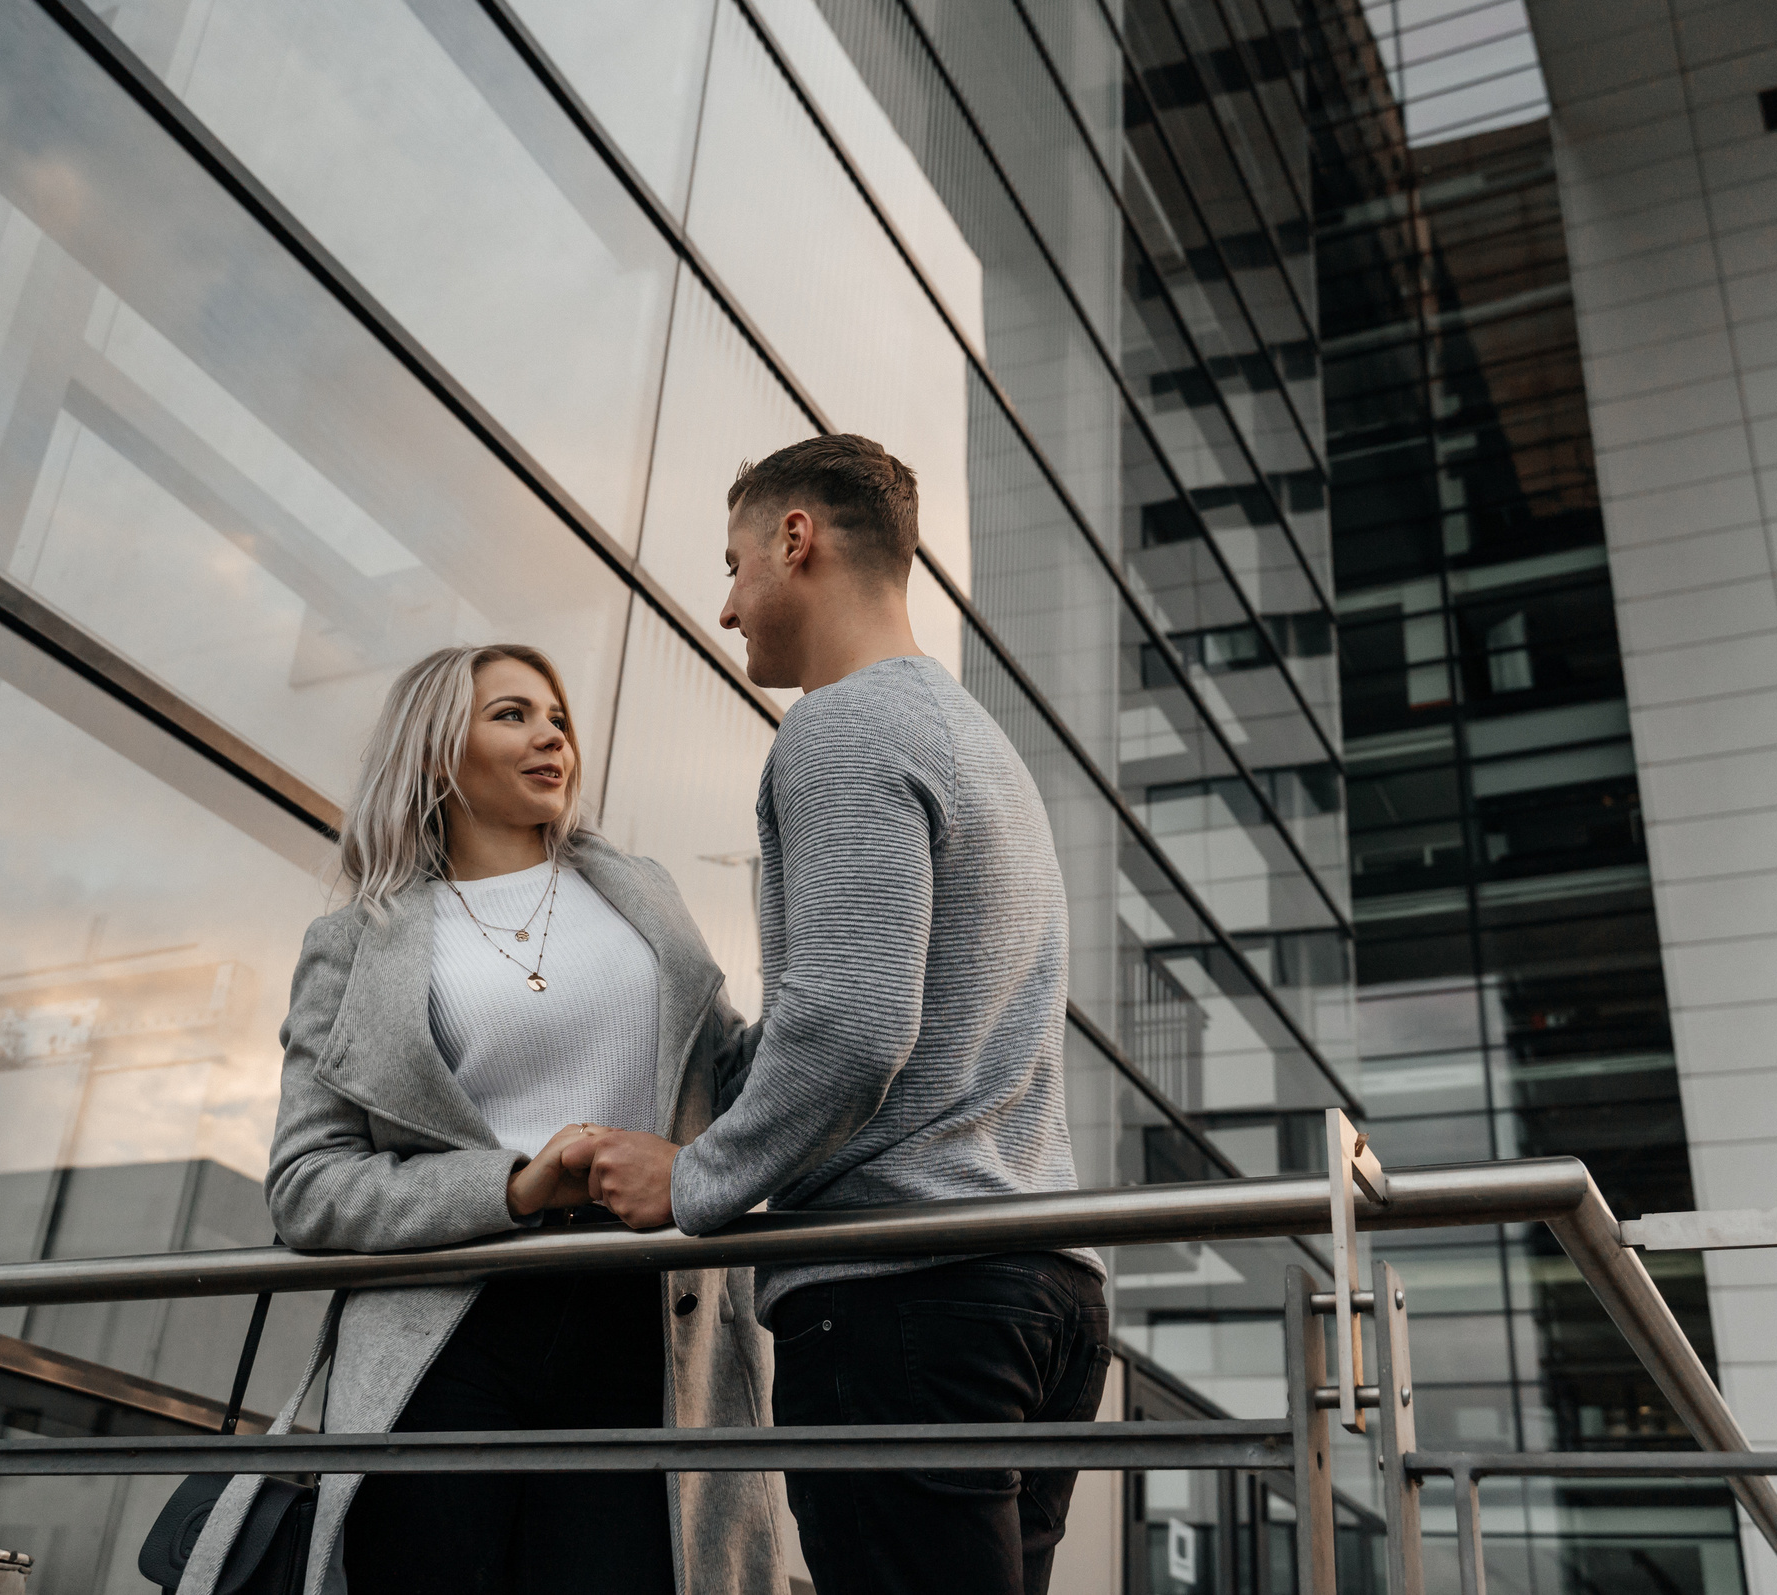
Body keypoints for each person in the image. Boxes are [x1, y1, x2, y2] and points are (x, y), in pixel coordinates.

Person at [566, 435, 1109, 1595]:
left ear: (794, 540)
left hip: (907, 1297)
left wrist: (698, 1178)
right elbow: (881, 1012)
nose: (723, 610)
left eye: (732, 565)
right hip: (1037, 1292)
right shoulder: (975, 741)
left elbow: (856, 1027)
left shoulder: (842, 728)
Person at [181, 644, 785, 1595]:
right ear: (433, 753)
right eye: (512, 714)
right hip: (450, 1338)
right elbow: (307, 1186)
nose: (551, 734)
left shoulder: (643, 897)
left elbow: (734, 1075)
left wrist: (822, 966)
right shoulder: (355, 944)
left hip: (649, 1325)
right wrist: (511, 1184)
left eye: (557, 717)